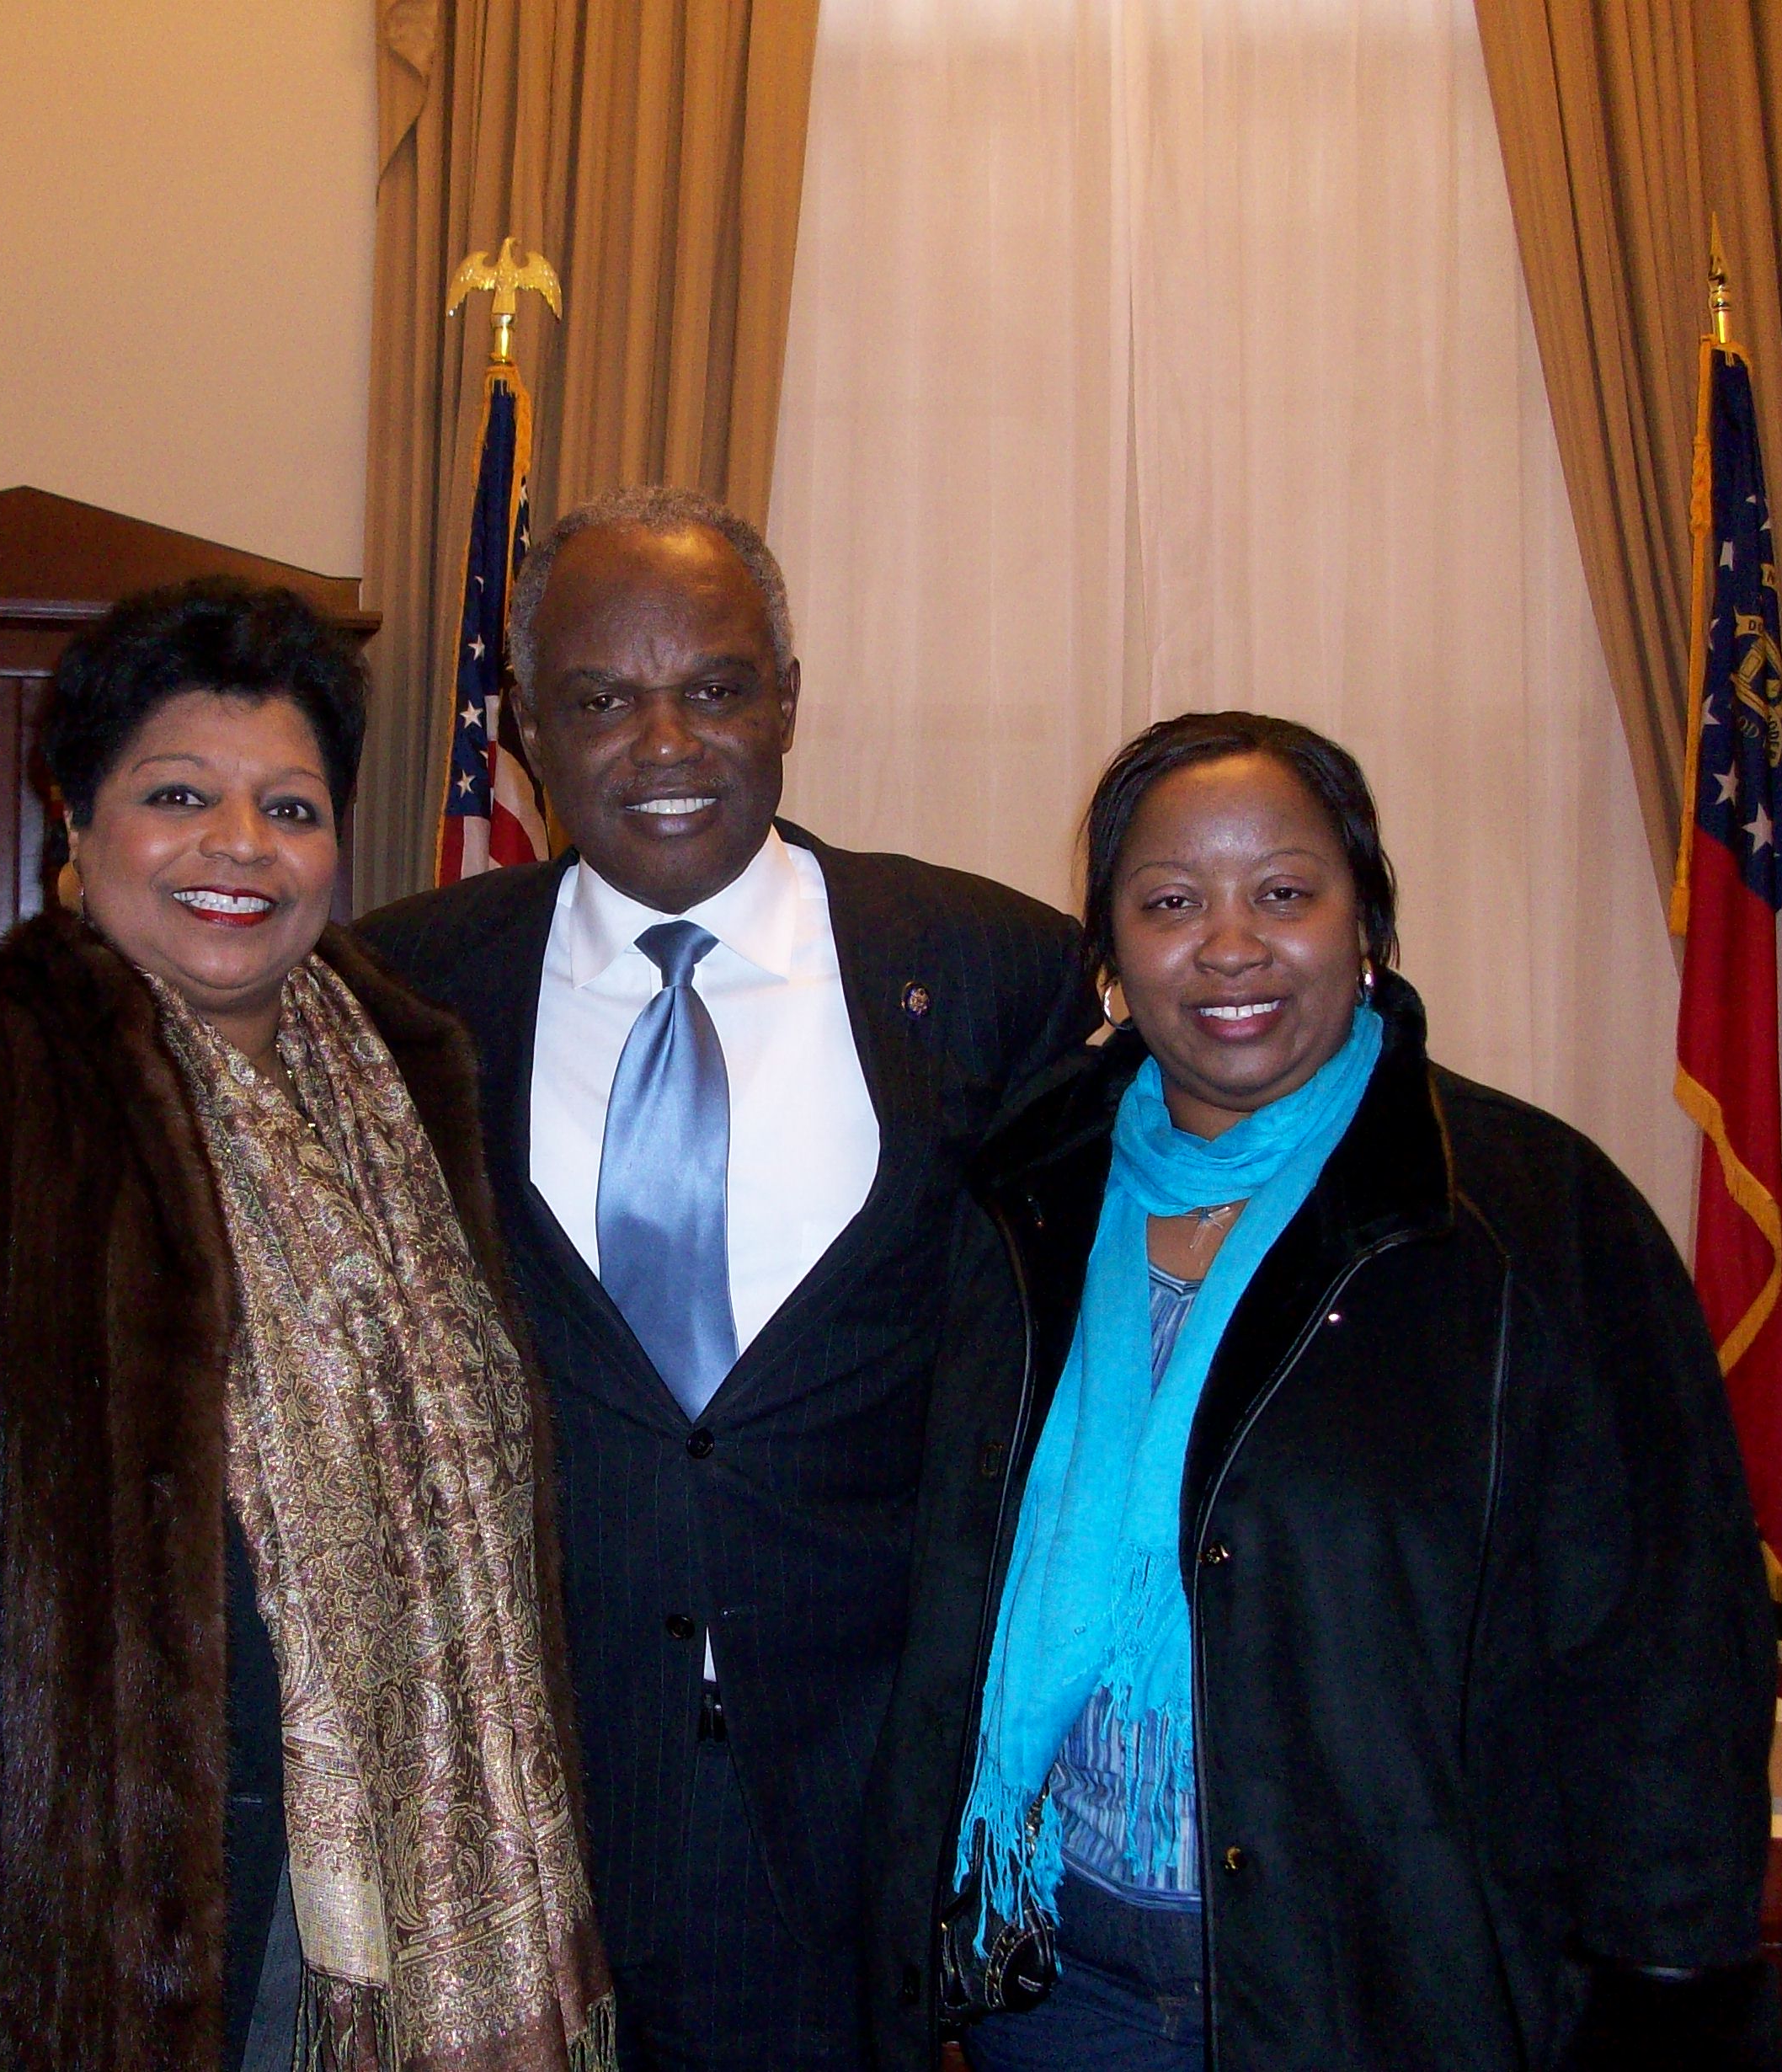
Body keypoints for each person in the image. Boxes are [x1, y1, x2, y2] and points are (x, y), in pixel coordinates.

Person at [0, 578, 615, 2072]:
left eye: (291, 808)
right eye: (178, 795)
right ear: (77, 818)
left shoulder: (412, 1105)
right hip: (92, 1961)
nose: (240, 845)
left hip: (407, 1914)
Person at [862, 712, 1776, 2072]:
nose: (1230, 946)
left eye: (1284, 894)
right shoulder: (1019, 1203)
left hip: (1379, 1993)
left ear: (1369, 927)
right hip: (1057, 1989)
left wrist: (1666, 1992)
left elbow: (1668, 1661)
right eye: (1171, 903)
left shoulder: (1530, 1219)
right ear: (1109, 952)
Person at [360, 486, 1096, 2070]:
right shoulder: (403, 988)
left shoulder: (994, 970)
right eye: (602, 701)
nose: (667, 744)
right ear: (526, 731)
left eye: (714, 687)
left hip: (866, 1787)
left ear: (788, 699)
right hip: (528, 1795)